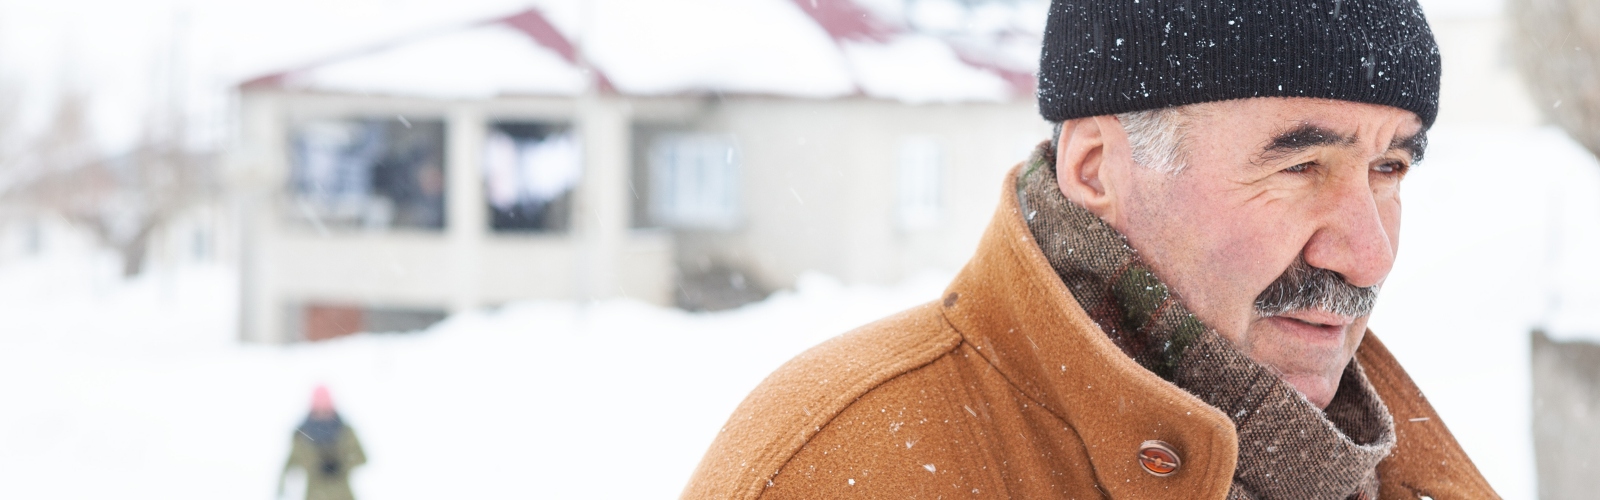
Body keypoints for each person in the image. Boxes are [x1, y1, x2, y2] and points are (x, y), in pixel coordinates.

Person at [684, 1, 1498, 498]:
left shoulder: (1395, 470)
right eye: (1298, 166)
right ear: (1096, 167)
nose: (1368, 253)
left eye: (1388, 167)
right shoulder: (841, 467)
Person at [279, 385, 366, 500]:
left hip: (342, 495)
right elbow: (290, 464)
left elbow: (361, 457)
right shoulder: (302, 435)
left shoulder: (345, 431)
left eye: (325, 409)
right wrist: (281, 489)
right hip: (314, 495)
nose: (322, 413)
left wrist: (340, 465)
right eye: (319, 409)